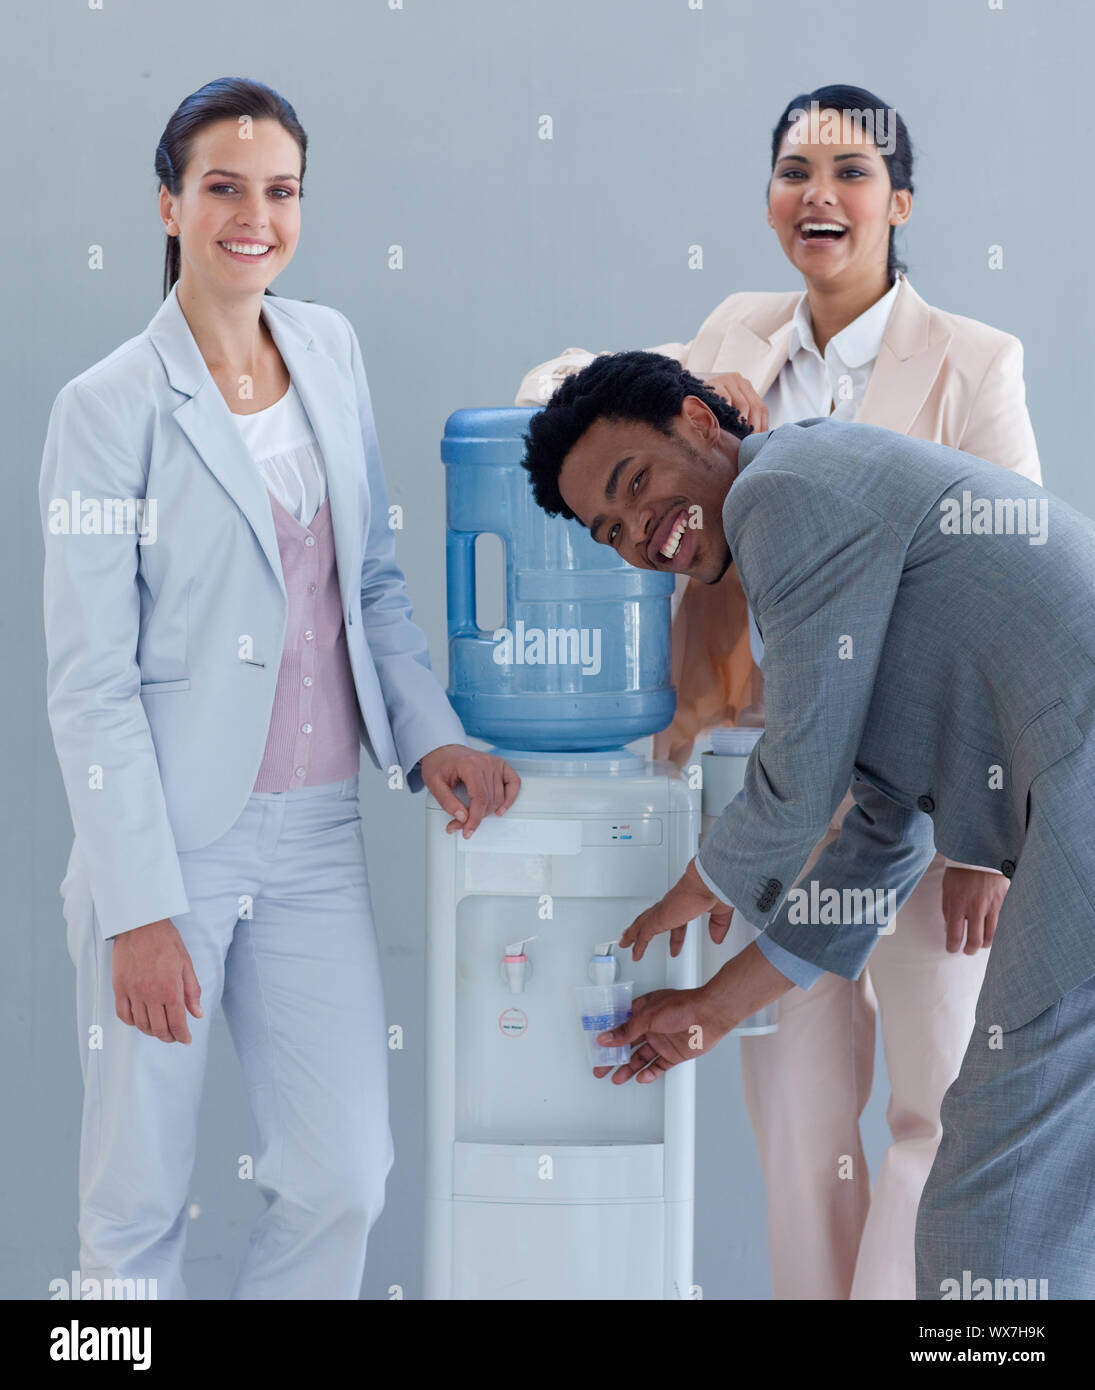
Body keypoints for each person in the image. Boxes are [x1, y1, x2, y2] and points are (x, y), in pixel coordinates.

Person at [515, 84, 1041, 1300]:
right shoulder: (731, 344)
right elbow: (569, 396)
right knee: (800, 1129)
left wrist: (996, 837)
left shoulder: (973, 362)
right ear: (768, 201)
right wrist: (711, 402)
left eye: (852, 171)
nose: (821, 193)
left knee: (935, 1109)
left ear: (897, 203)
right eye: (795, 169)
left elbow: (1014, 579)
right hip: (768, 780)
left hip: (926, 787)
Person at [38, 76, 520, 1300]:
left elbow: (373, 582)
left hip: (315, 837)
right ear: (168, 205)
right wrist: (141, 903)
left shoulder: (328, 349)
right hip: (170, 846)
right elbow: (89, 683)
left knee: (343, 1175)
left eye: (282, 190)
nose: (255, 215)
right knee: (133, 1209)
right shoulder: (105, 409)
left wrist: (431, 740)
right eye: (223, 188)